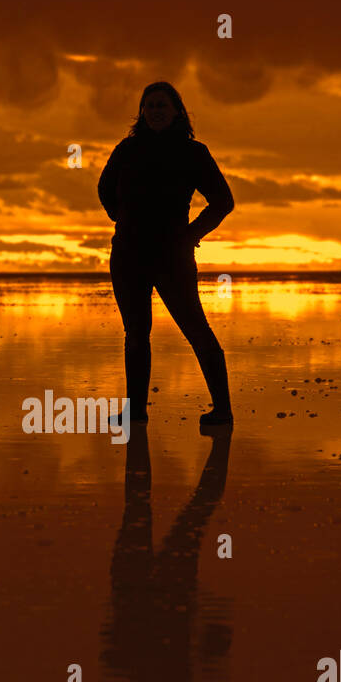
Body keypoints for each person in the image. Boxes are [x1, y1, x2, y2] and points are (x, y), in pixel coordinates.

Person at [97, 80, 235, 428]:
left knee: (196, 329)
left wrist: (190, 235)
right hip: (128, 255)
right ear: (142, 112)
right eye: (150, 105)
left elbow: (223, 201)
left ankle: (223, 411)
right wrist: (121, 218)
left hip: (172, 257)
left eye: (162, 105)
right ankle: (135, 412)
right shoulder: (127, 150)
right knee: (135, 334)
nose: (156, 111)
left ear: (177, 112)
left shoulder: (193, 153)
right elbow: (104, 188)